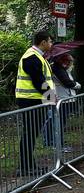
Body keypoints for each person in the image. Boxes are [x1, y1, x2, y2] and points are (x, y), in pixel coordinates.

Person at [13, 29, 55, 175]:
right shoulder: (32, 57)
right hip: (30, 100)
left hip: (33, 100)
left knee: (31, 134)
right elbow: (39, 81)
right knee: (30, 134)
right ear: (43, 42)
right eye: (50, 41)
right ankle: (25, 167)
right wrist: (51, 97)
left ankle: (28, 165)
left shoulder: (37, 56)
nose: (51, 44)